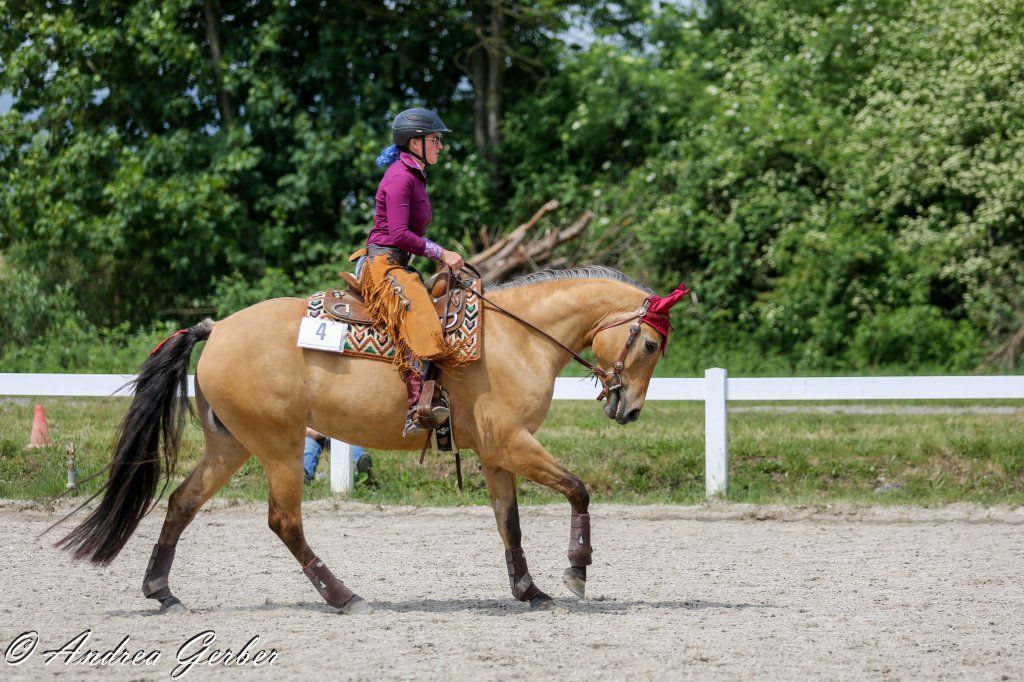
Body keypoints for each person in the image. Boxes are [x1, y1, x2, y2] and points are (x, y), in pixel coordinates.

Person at [352, 107, 465, 437]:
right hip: (383, 263)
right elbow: (400, 234)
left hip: (397, 261)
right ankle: (417, 406)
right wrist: (440, 252)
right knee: (419, 317)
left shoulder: (413, 173)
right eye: (435, 140)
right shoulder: (401, 177)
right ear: (415, 143)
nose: (440, 146)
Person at [303, 428, 371, 484]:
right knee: (309, 448)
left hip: (338, 429)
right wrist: (308, 430)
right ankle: (303, 473)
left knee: (350, 443)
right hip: (310, 432)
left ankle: (359, 464)